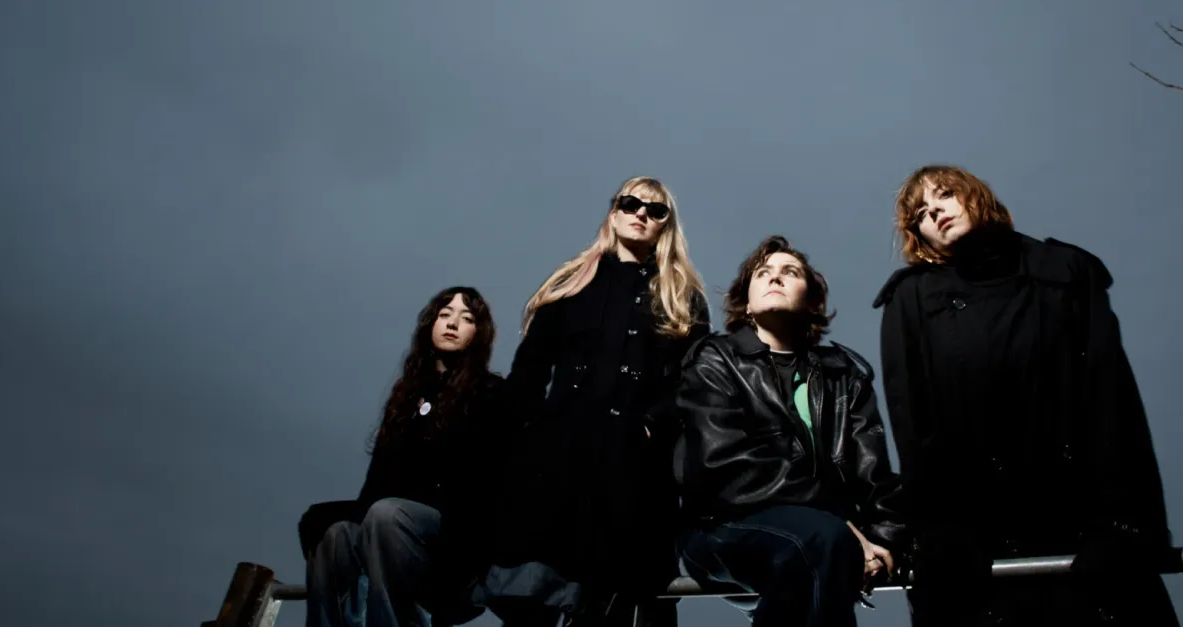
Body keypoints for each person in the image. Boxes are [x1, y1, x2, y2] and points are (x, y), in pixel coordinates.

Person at [873, 164, 1178, 626]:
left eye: (945, 195)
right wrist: (936, 535)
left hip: (1080, 518)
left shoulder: (1064, 270)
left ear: (976, 196)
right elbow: (913, 429)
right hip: (975, 533)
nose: (934, 211)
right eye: (921, 214)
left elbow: (1112, 399)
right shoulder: (911, 298)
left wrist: (1126, 524)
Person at [476, 177, 711, 627]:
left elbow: (693, 381)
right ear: (613, 211)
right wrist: (531, 437)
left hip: (635, 469)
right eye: (630, 203)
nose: (640, 213)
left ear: (666, 225)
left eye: (655, 210)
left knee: (621, 599)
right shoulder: (570, 283)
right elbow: (529, 373)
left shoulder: (683, 298)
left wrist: (650, 424)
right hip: (559, 461)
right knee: (535, 595)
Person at [673, 235, 905, 627]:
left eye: (790, 272)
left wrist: (882, 537)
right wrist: (840, 522)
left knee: (825, 545)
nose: (775, 277)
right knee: (823, 540)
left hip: (823, 534)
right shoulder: (715, 360)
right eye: (763, 273)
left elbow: (873, 471)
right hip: (721, 525)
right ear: (747, 304)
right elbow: (721, 464)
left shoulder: (843, 375)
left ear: (812, 302)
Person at [299, 287, 512, 627]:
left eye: (466, 318)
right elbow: (375, 484)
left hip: (453, 544)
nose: (452, 323)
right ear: (430, 324)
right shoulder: (407, 395)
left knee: (387, 514)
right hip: (390, 531)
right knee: (335, 534)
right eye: (445, 314)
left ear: (479, 333)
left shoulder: (491, 394)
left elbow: (489, 489)